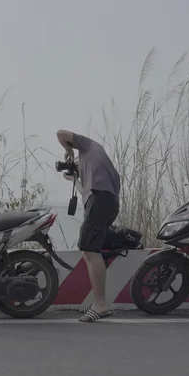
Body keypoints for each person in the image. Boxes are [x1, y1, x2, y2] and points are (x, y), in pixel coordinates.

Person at [56, 129, 122, 323]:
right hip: (105, 202)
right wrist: (74, 178)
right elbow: (86, 192)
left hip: (100, 201)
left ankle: (100, 304)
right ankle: (98, 301)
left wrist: (69, 151)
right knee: (90, 251)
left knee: (91, 251)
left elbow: (61, 133)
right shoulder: (98, 171)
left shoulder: (89, 146)